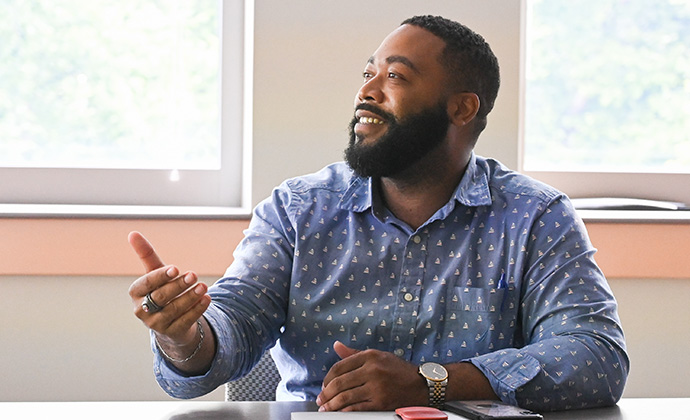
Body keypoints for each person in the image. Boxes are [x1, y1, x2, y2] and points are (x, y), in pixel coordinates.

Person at [128, 15, 628, 412]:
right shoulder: (298, 210)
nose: (367, 92)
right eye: (368, 74)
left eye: (395, 76)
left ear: (462, 109)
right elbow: (229, 332)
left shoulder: (535, 216)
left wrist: (433, 384)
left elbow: (596, 357)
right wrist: (184, 335)